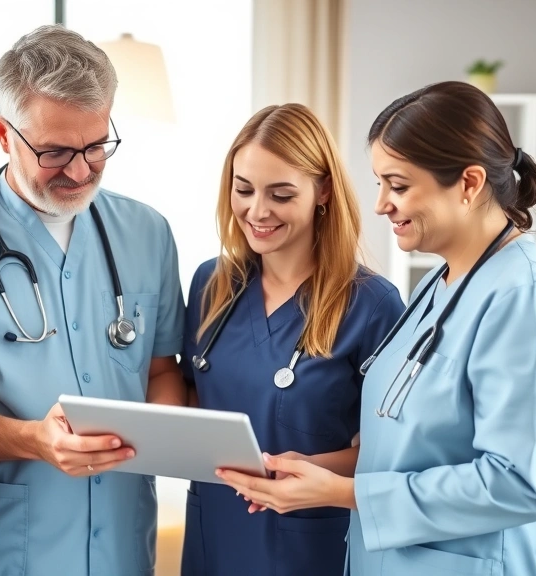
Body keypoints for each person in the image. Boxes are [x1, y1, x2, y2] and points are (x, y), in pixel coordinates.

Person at [217, 81, 536, 575]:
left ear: (469, 183)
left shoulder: (528, 298)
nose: (380, 204)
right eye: (379, 184)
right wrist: (303, 473)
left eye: (398, 185)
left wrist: (340, 492)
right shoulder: (438, 287)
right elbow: (404, 450)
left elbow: (516, 484)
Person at [0, 25, 185, 576]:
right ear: (2, 133)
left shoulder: (148, 232)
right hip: (5, 545)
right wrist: (34, 441)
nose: (79, 170)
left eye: (96, 146)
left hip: (123, 538)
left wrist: (162, 437)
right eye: (54, 152)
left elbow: (161, 370)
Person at [178, 103, 405, 576]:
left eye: (280, 195)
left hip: (306, 541)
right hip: (214, 531)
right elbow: (192, 399)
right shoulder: (212, 284)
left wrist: (305, 469)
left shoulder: (371, 304)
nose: (257, 211)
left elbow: (393, 453)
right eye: (244, 190)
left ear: (323, 190)